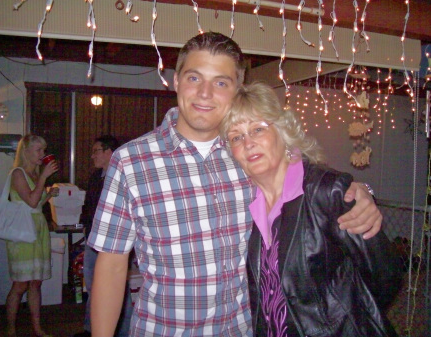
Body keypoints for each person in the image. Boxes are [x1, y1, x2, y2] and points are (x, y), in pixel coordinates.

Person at [87, 32, 382, 337]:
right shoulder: (131, 162)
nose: (205, 93)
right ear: (176, 81)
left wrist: (359, 194)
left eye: (220, 83)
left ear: (237, 90)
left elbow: (307, 178)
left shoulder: (247, 153)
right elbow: (111, 265)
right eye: (193, 78)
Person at [220, 82, 402, 336]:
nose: (248, 142)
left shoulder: (325, 191)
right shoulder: (250, 204)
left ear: (283, 132)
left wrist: (343, 321)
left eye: (258, 129)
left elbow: (387, 275)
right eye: (236, 137)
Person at [73, 135, 133, 337]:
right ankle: (92, 329)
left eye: (96, 151)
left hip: (112, 242)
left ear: (109, 152)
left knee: (114, 288)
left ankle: (124, 331)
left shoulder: (120, 177)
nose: (92, 156)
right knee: (93, 287)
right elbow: (89, 207)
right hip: (93, 238)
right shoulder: (96, 177)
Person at [6, 134, 59, 337]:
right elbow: (29, 201)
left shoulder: (35, 174)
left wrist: (48, 195)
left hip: (37, 229)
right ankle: (11, 328)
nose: (43, 154)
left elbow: (36, 203)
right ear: (26, 152)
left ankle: (37, 328)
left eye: (44, 150)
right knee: (20, 284)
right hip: (22, 233)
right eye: (39, 150)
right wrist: (44, 177)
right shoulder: (17, 173)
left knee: (36, 282)